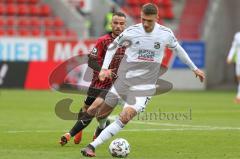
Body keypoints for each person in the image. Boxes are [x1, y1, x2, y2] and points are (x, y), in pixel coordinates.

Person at [81, 3, 205, 157]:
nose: (146, 23)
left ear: (157, 18)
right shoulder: (132, 31)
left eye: (150, 21)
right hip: (124, 82)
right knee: (100, 115)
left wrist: (194, 68)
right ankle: (101, 126)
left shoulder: (165, 33)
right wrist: (105, 68)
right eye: (143, 19)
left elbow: (178, 49)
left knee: (125, 116)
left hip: (144, 87)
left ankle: (92, 146)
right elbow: (113, 46)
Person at [59, 12, 127, 146]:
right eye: (115, 23)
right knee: (86, 107)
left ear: (125, 25)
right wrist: (104, 70)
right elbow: (91, 62)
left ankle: (69, 134)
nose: (118, 26)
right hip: (98, 82)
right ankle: (93, 128)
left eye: (121, 23)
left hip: (114, 85)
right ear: (110, 24)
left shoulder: (128, 43)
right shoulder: (103, 41)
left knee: (95, 107)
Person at [227, 32, 240, 103]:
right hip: (238, 60)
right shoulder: (237, 35)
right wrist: (230, 57)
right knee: (238, 78)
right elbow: (234, 47)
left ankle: (238, 96)